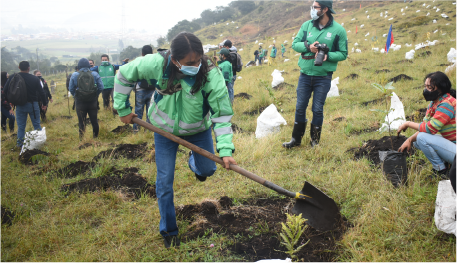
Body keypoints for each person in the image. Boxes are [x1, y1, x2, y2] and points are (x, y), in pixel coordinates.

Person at [113, 32, 237, 248]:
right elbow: (123, 74)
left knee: (207, 170)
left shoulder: (210, 73)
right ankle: (169, 230)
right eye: (190, 62)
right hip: (163, 131)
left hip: (198, 130)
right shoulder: (157, 64)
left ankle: (194, 160)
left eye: (199, 60)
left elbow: (222, 114)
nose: (196, 65)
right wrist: (123, 108)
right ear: (174, 59)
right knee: (165, 181)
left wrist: (225, 149)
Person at [283, 0, 347, 148]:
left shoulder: (338, 30)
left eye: (315, 7)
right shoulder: (307, 25)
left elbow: (343, 54)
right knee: (300, 107)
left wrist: (328, 55)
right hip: (305, 75)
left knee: (317, 109)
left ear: (325, 9)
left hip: (323, 77)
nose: (312, 10)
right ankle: (295, 140)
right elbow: (295, 44)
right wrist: (308, 46)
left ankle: (314, 142)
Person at [398, 72, 457, 179]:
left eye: (430, 87)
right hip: (452, 144)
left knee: (422, 138)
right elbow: (425, 125)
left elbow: (430, 129)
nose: (426, 90)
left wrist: (407, 123)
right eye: (425, 86)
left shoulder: (447, 104)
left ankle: (440, 170)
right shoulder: (434, 103)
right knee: (417, 141)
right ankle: (447, 164)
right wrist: (410, 140)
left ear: (440, 89)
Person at [4, 61, 47, 148]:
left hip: (19, 105)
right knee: (36, 125)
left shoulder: (13, 77)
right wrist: (44, 103)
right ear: (29, 68)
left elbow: (5, 91)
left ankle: (20, 144)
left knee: (21, 127)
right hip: (33, 105)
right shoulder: (34, 78)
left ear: (19, 67)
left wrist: (10, 101)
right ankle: (39, 144)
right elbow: (42, 93)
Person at [69, 58, 104, 139]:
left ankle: (82, 139)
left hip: (80, 102)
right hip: (92, 101)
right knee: (94, 121)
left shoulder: (74, 75)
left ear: (79, 66)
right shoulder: (95, 74)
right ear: (89, 65)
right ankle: (95, 138)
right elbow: (101, 87)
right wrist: (95, 95)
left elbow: (70, 88)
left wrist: (76, 96)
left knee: (81, 122)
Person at [133, 45, 154, 133]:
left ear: (142, 53)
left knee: (138, 111)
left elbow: (133, 75)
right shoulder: (155, 62)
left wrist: (134, 88)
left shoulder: (138, 61)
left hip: (140, 89)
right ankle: (149, 131)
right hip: (152, 89)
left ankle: (136, 130)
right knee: (150, 111)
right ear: (152, 53)